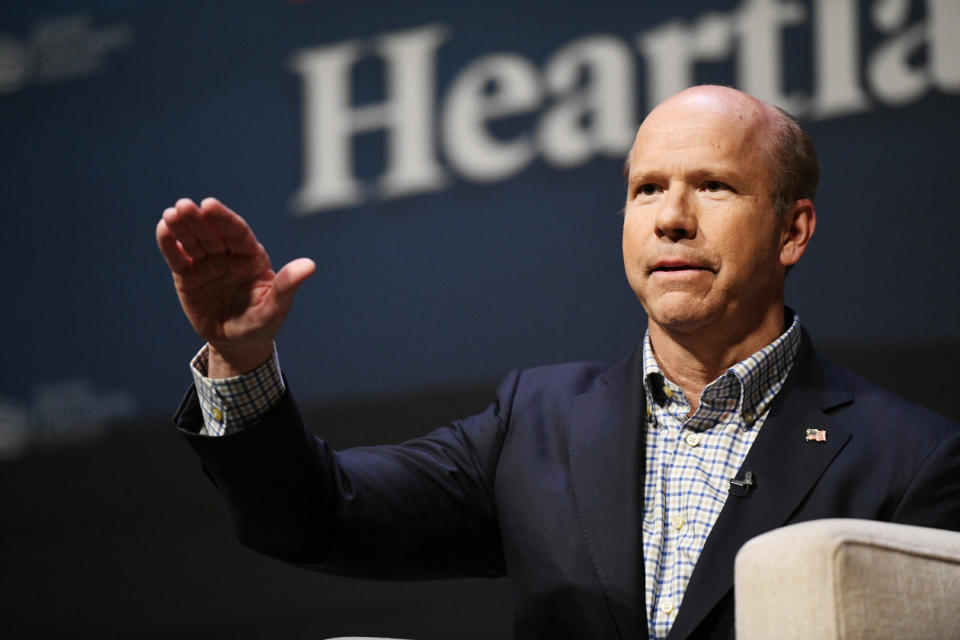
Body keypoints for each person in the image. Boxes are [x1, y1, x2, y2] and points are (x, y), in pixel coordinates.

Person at [156, 85, 960, 640]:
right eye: (647, 189)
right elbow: (316, 515)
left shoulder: (912, 459)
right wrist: (242, 354)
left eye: (713, 186)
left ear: (793, 230)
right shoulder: (536, 423)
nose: (671, 219)